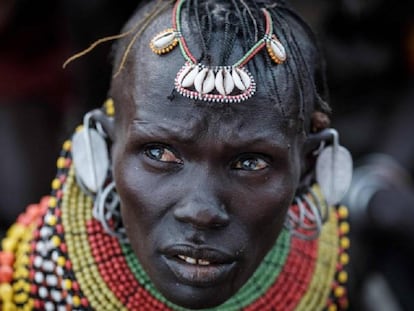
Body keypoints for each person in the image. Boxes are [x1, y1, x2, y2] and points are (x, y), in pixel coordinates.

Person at [0, 0, 352, 310]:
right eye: (159, 153)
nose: (201, 211)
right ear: (104, 152)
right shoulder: (35, 284)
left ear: (308, 169)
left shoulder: (340, 269)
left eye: (250, 163)